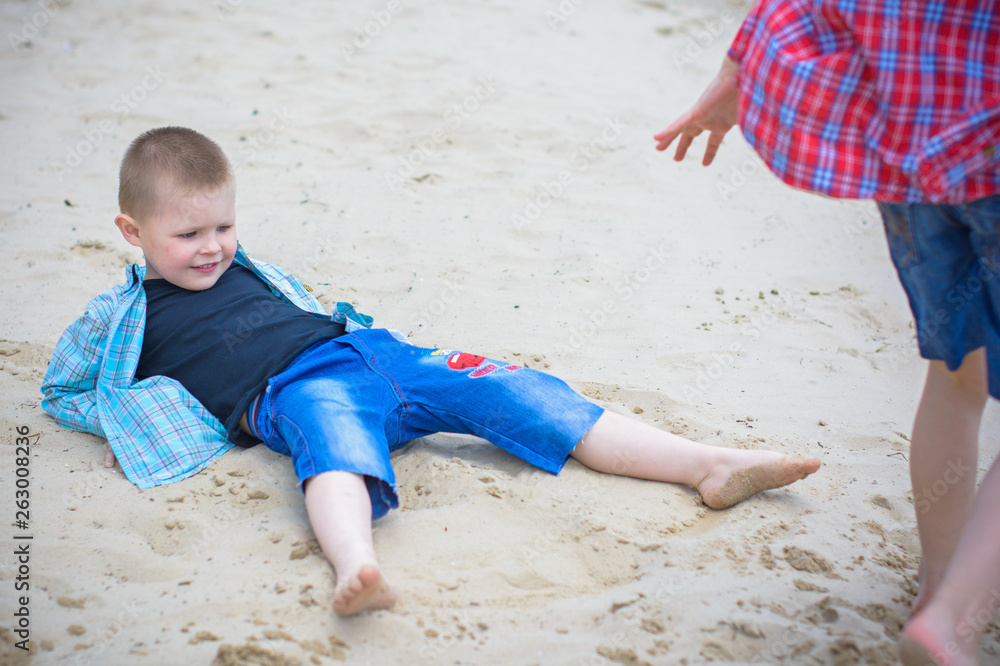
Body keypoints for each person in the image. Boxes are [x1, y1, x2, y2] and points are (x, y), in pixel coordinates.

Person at [41, 126, 820, 616]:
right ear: (131, 230)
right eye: (187, 234)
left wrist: (358, 333)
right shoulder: (119, 317)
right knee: (335, 449)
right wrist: (126, 419)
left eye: (224, 225)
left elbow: (308, 304)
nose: (212, 247)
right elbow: (63, 388)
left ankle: (709, 465)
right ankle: (358, 564)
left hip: (380, 354)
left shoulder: (251, 270)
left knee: (520, 388)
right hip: (293, 392)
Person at [653, 2, 1000, 664]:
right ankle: (954, 619)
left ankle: (935, 591)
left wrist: (735, 70)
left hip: (913, 170)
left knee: (957, 376)